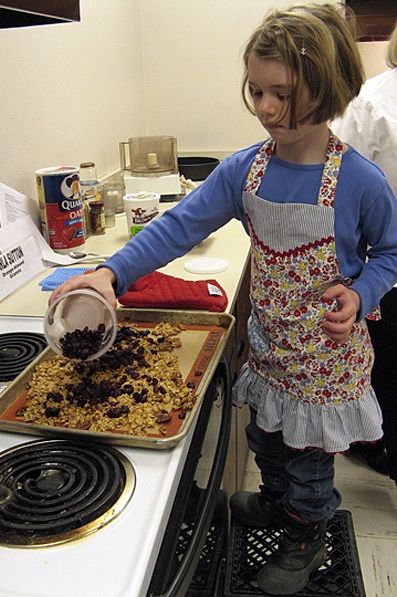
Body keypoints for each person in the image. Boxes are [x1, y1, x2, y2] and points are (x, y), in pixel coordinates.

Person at [50, 4, 397, 595]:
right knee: (265, 439)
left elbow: (390, 254)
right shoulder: (245, 171)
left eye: (282, 94)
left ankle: (306, 532)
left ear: (329, 86)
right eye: (256, 91)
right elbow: (177, 225)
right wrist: (112, 272)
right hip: (269, 351)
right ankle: (273, 501)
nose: (264, 108)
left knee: (310, 464)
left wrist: (362, 291)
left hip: (324, 364)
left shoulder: (362, 181)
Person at [331, 20, 397, 482]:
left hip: (383, 271)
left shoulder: (373, 101)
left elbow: (330, 182)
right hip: (383, 272)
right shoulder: (373, 102)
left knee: (387, 374)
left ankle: (377, 444)